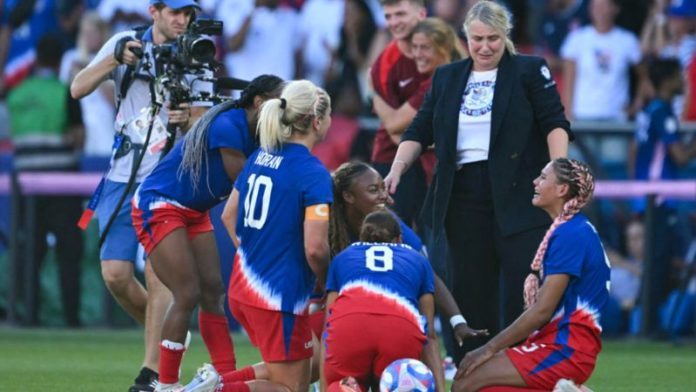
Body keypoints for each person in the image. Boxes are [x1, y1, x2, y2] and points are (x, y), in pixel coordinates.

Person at [384, 0, 572, 362]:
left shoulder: (529, 70)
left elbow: (554, 122)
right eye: (477, 39)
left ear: (506, 37)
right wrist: (397, 168)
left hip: (520, 191)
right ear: (465, 38)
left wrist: (557, 171)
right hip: (462, 194)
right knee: (470, 290)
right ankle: (473, 368)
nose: (485, 47)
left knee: (524, 287)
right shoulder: (448, 76)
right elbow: (420, 128)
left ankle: (523, 369)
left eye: (493, 39)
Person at [70, 1, 209, 390]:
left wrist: (188, 118)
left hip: (169, 175)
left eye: (188, 14)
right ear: (154, 11)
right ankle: (171, 336)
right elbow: (78, 88)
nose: (183, 20)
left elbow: (207, 119)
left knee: (157, 269)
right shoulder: (124, 41)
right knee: (114, 274)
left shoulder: (197, 53)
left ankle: (152, 374)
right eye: (176, 12)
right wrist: (114, 59)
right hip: (122, 171)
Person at [131, 75, 285, 391]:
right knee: (187, 293)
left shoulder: (257, 130)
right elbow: (244, 180)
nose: (283, 112)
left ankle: (223, 380)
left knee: (213, 293)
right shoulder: (229, 125)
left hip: (193, 209)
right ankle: (166, 385)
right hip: (160, 203)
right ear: (259, 102)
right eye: (278, 103)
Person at [451, 158, 608, 392]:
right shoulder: (572, 228)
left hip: (565, 349)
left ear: (562, 189)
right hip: (560, 344)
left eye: (543, 177)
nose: (535, 181)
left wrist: (488, 348)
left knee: (465, 382)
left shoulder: (571, 234)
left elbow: (542, 310)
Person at [221, 80, 333, 392]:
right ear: (316, 121)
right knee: (288, 389)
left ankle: (212, 384)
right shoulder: (312, 172)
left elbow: (229, 215)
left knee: (313, 363)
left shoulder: (260, 155)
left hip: (243, 288)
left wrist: (255, 255)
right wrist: (329, 283)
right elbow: (315, 249)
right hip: (276, 298)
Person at [329, 161, 487, 345]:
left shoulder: (390, 223)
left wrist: (458, 322)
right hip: (335, 312)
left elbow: (427, 273)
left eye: (383, 188)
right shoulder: (327, 230)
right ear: (348, 196)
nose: (383, 196)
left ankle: (427, 366)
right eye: (373, 190)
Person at [7, 34, 84, 327]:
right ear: (57, 60)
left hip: (25, 187)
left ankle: (28, 316)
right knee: (69, 253)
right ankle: (71, 319)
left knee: (29, 255)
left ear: (37, 58)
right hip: (63, 184)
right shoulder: (66, 92)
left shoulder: (17, 94)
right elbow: (79, 138)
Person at [322, 210, 444, 392]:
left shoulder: (344, 257)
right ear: (399, 239)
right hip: (399, 328)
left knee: (341, 385)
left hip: (350, 327)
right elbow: (430, 335)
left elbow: (327, 326)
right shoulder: (417, 259)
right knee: (400, 383)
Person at [629, 57, 696, 332]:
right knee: (658, 264)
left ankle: (644, 324)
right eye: (679, 76)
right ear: (667, 80)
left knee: (658, 262)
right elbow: (679, 156)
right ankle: (645, 326)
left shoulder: (648, 109)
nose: (684, 80)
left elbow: (633, 152)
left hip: (648, 195)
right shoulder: (661, 111)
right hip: (659, 196)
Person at [369, 0, 429, 228]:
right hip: (392, 156)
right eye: (388, 16)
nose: (394, 22)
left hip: (437, 158)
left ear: (422, 14)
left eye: (400, 14)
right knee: (395, 234)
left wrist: (372, 94)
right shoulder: (383, 65)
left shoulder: (444, 53)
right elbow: (395, 129)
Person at [560, 0, 642, 121]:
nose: (600, 11)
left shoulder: (628, 40)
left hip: (616, 119)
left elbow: (644, 77)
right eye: (596, 6)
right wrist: (567, 116)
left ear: (615, 9)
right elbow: (568, 82)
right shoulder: (576, 39)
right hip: (582, 116)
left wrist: (635, 107)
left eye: (605, 6)